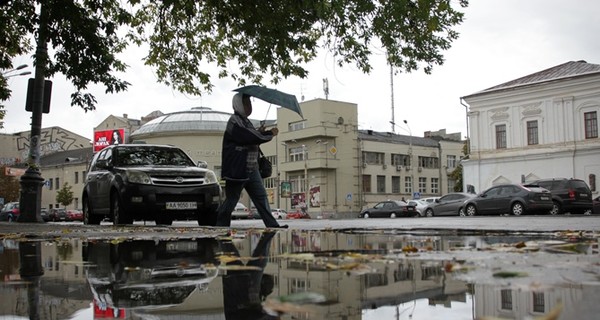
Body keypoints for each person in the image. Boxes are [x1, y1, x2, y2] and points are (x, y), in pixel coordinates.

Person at [216, 93, 287, 228]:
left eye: (250, 104)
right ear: (238, 105)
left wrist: (258, 132)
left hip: (251, 168)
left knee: (261, 198)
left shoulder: (245, 122)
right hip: (237, 169)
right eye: (246, 104)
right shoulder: (234, 121)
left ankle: (272, 225)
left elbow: (251, 137)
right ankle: (220, 225)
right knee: (231, 200)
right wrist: (268, 133)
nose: (249, 107)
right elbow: (248, 137)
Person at [220, 231, 278, 319]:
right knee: (233, 257)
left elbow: (254, 315)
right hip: (238, 289)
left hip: (245, 292)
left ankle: (268, 235)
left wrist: (272, 316)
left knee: (259, 261)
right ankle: (222, 236)